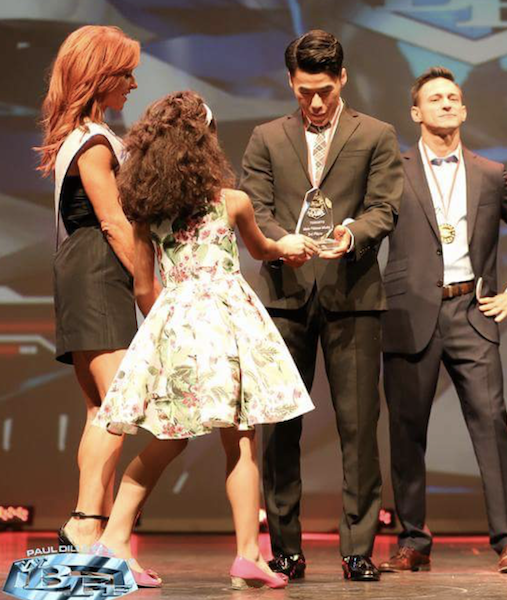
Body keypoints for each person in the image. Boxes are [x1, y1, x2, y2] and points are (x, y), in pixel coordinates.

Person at [90, 90, 316, 589]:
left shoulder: (148, 213)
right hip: (229, 328)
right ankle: (247, 554)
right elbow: (264, 248)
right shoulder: (231, 203)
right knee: (241, 439)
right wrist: (288, 245)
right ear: (205, 144)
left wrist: (172, 323)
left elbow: (144, 287)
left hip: (177, 326)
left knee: (168, 438)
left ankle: (115, 539)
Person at [240, 29, 403, 581]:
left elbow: (385, 207)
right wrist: (280, 240)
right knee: (282, 429)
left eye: (325, 92)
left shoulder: (375, 133)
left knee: (358, 428)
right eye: (304, 91)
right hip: (285, 296)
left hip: (352, 293)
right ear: (291, 82)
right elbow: (254, 208)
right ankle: (286, 548)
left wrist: (352, 234)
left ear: (343, 79)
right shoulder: (266, 137)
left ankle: (358, 548)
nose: (314, 102)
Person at [379, 66, 507, 575]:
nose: (446, 103)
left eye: (453, 97)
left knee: (493, 427)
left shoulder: (490, 173)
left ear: (464, 110)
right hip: (410, 312)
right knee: (407, 431)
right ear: (416, 112)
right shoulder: (392, 169)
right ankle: (413, 540)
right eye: (435, 98)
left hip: (471, 312)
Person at [35, 25, 147, 550]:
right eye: (126, 74)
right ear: (101, 76)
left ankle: (91, 528)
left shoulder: (81, 137)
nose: (133, 85)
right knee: (119, 405)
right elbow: (113, 222)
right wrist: (151, 288)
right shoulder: (95, 143)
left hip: (82, 270)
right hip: (98, 269)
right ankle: (85, 521)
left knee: (101, 409)